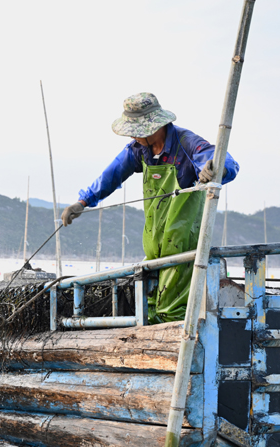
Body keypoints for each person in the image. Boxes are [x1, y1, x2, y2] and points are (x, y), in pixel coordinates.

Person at [60, 93, 239, 323]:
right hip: (154, 243)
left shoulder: (186, 143)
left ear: (154, 126)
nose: (134, 135)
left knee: (172, 310)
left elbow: (223, 160)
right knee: (148, 303)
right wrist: (83, 202)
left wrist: (216, 169)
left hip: (183, 243)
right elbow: (112, 174)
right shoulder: (139, 149)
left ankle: (180, 350)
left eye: (137, 130)